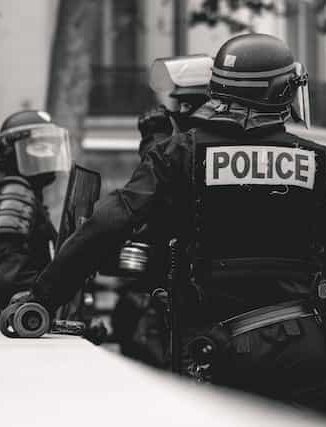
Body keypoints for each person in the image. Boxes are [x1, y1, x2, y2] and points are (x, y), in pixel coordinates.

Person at [12, 34, 326, 421]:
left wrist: (43, 295)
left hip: (220, 347)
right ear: (279, 92)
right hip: (302, 345)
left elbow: (109, 223)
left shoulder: (179, 154)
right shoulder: (317, 162)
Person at [112, 54, 212, 368]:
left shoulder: (199, 153)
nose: (177, 114)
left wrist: (156, 144)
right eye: (177, 106)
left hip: (201, 305)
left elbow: (163, 205)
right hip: (172, 299)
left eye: (186, 106)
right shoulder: (184, 150)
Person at [0, 110, 71, 328]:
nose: (50, 152)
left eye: (52, 145)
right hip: (5, 323)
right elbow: (10, 272)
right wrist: (49, 293)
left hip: (14, 322)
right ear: (13, 151)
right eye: (40, 146)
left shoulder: (24, 193)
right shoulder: (15, 193)